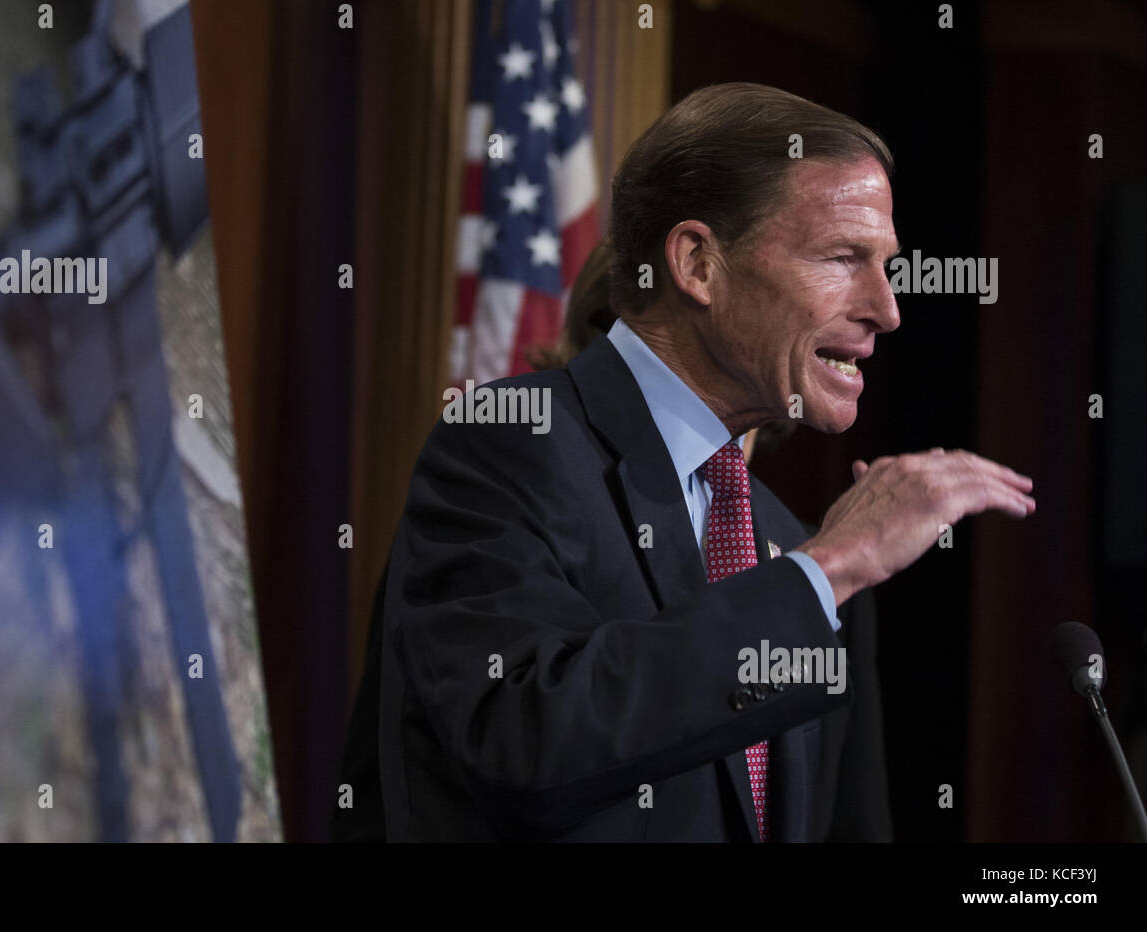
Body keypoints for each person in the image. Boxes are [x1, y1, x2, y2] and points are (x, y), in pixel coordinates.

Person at [356, 83, 1035, 842]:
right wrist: (829, 569)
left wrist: (822, 572)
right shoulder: (511, 442)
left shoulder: (788, 543)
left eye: (887, 265)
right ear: (697, 264)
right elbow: (517, 737)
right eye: (844, 257)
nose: (888, 308)